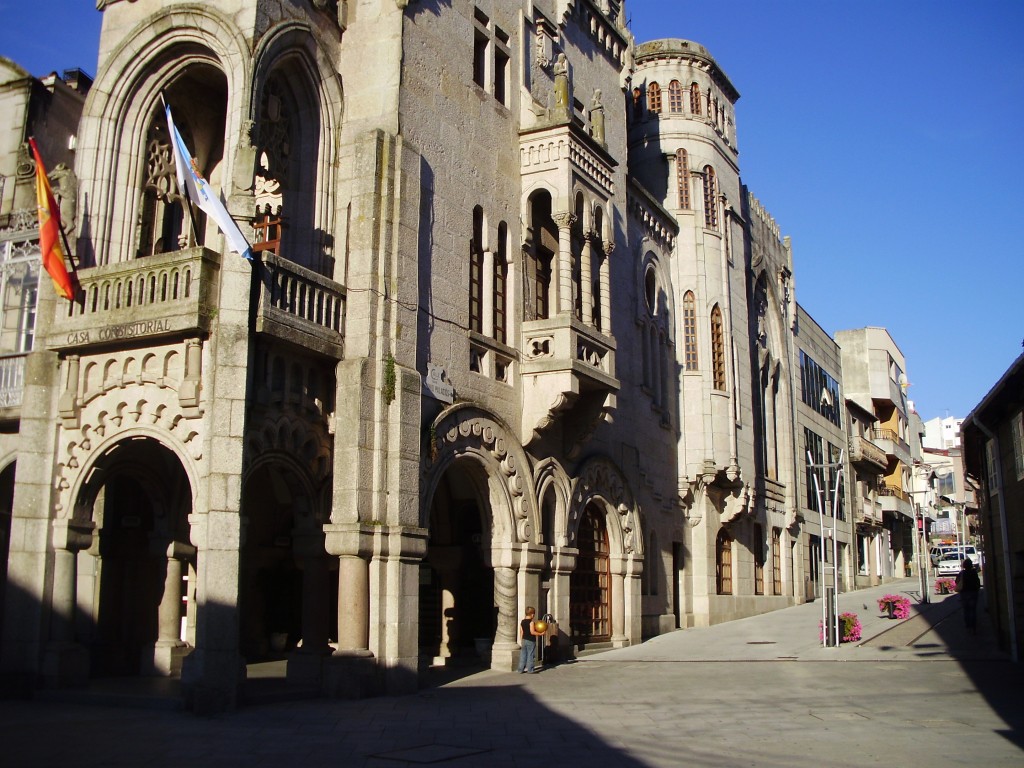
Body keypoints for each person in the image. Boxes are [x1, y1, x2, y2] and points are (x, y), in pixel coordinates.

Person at [955, 557, 982, 634]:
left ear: (964, 566)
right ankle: (973, 627)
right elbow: (978, 583)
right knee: (973, 610)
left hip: (964, 593)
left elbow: (957, 581)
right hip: (973, 593)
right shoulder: (974, 573)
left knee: (966, 610)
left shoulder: (962, 573)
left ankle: (968, 626)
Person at [517, 606, 544, 673]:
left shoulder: (522, 621)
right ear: (532, 614)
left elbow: (521, 631)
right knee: (530, 655)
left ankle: (520, 669)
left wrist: (521, 639)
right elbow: (532, 632)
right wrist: (540, 634)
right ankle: (530, 669)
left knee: (523, 655)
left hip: (524, 640)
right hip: (531, 640)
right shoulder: (531, 622)